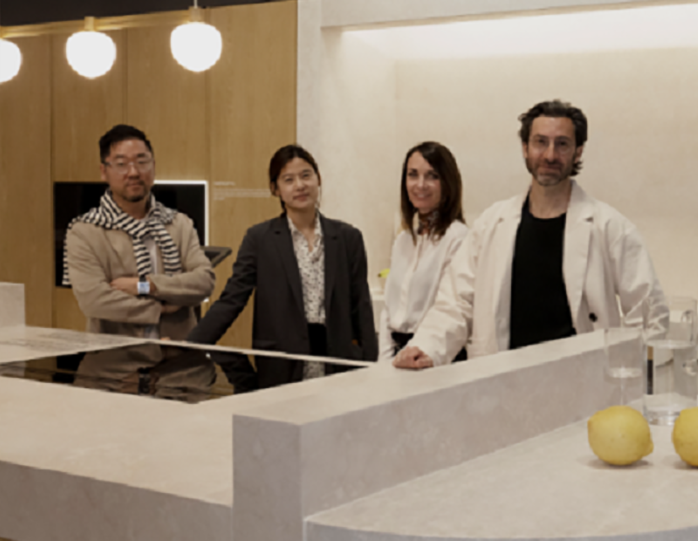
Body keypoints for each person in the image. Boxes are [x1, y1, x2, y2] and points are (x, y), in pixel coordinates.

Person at [394, 100, 667, 368]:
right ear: (525, 148)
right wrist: (426, 347)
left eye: (562, 144)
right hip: (504, 381)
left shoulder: (610, 227)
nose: (550, 155)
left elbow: (649, 313)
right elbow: (456, 302)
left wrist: (628, 371)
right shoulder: (491, 224)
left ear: (578, 151)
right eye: (540, 142)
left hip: (583, 383)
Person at [188, 144, 377, 361]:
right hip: (281, 360)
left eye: (306, 175)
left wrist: (370, 363)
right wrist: (189, 346)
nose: (300, 185)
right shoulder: (259, 239)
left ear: (318, 179)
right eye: (288, 180)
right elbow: (232, 299)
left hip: (337, 358)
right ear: (275, 189)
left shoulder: (348, 237)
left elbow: (361, 305)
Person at [63, 124, 215, 339]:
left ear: (153, 166)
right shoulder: (84, 231)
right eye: (121, 164)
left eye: (142, 162)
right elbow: (95, 300)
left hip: (178, 356)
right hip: (115, 362)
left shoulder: (178, 223)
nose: (133, 172)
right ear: (103, 172)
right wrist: (160, 309)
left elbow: (204, 282)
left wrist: (146, 286)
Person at [379, 141, 470, 360]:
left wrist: (423, 350)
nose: (421, 184)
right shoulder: (403, 239)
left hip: (432, 354)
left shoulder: (458, 237)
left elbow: (451, 309)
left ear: (447, 183)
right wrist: (383, 359)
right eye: (413, 175)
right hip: (396, 354)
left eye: (432, 176)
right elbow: (388, 308)